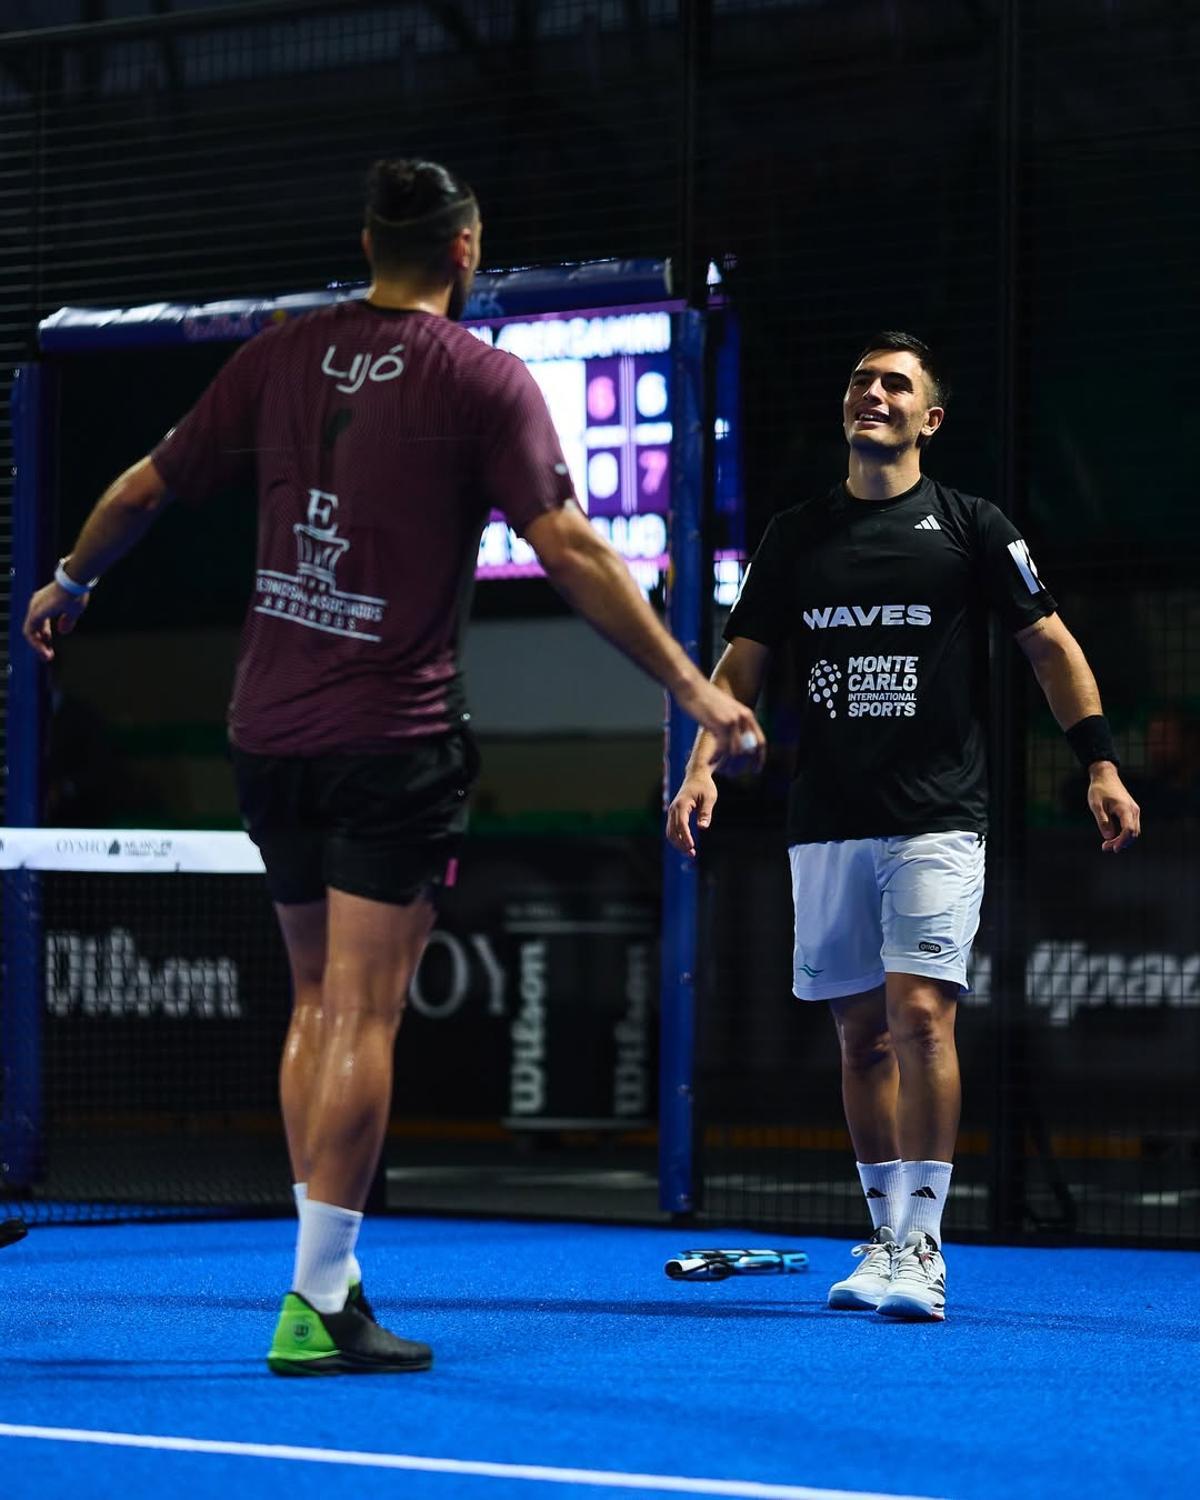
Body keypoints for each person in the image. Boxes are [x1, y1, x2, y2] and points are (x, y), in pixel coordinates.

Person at [23, 157, 764, 1374]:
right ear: (466, 250)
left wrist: (71, 580)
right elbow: (569, 544)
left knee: (316, 1002)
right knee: (362, 1011)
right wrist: (691, 688)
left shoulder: (274, 354)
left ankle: (333, 1278)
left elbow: (148, 487)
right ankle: (316, 1301)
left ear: (370, 242)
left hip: (264, 733)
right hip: (391, 739)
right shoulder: (483, 376)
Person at [666, 332, 1139, 1321]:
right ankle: (881, 1236)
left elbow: (1049, 646)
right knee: (859, 1038)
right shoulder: (797, 535)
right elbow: (742, 665)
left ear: (928, 418)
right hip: (827, 820)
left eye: (895, 384)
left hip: (937, 815)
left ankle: (923, 1242)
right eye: (860, 381)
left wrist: (1096, 757)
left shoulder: (971, 526)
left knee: (919, 1015)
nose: (871, 393)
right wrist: (701, 766)